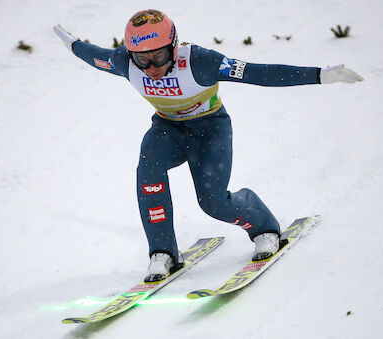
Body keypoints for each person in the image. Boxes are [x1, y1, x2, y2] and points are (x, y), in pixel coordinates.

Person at [53, 9, 363, 282]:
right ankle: (163, 252)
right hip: (168, 130)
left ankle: (264, 227)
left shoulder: (200, 62)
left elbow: (260, 73)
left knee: (213, 204)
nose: (151, 68)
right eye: (142, 59)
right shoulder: (125, 62)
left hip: (210, 130)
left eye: (159, 57)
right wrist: (72, 42)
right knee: (147, 172)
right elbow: (91, 55)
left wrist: (321, 76)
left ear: (173, 47)